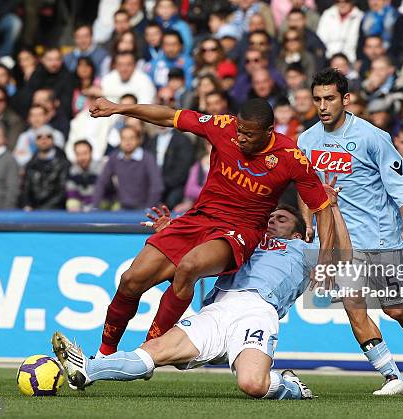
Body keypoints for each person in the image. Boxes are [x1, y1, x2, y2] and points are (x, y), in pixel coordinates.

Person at [87, 95, 334, 357]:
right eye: (239, 131)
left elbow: (322, 208)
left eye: (249, 135)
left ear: (269, 132)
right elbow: (169, 116)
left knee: (189, 267)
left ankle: (149, 351)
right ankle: (104, 355)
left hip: (239, 231)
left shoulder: (291, 157)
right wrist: (118, 108)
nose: (240, 138)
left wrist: (327, 260)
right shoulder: (223, 127)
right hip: (198, 218)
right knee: (130, 280)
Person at [52, 191, 346, 398]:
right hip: (218, 309)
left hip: (257, 311)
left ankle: (289, 386)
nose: (272, 220)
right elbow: (202, 246)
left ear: (298, 231)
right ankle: (88, 369)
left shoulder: (303, 249)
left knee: (252, 385)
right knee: (152, 351)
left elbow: (344, 256)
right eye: (270, 216)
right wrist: (172, 231)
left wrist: (332, 208)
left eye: (281, 219)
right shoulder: (246, 240)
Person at [299, 68, 403, 395]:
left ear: (345, 100)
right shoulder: (306, 140)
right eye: (317, 99)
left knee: (394, 308)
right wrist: (307, 222)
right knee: (353, 305)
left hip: (378, 236)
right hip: (339, 242)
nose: (322, 105)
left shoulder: (372, 137)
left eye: (329, 98)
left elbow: (400, 186)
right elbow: (306, 187)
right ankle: (393, 377)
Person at [93, 126, 163, 211]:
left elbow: (157, 186)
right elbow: (102, 182)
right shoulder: (114, 157)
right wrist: (95, 206)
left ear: (138, 140)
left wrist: (149, 208)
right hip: (122, 207)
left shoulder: (148, 158)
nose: (128, 142)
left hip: (144, 208)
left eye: (131, 138)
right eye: (124, 138)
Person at [21, 125, 71, 210]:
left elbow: (62, 191)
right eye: (39, 137)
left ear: (53, 140)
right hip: (33, 212)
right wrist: (27, 205)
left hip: (56, 212)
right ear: (35, 141)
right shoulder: (30, 165)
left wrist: (44, 209)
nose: (44, 140)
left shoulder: (63, 164)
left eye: (48, 136)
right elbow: (25, 189)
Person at [144, 126, 195, 209]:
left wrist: (161, 184)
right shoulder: (151, 141)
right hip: (154, 188)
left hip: (175, 188)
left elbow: (182, 170)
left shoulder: (183, 140)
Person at [66, 140, 101, 212]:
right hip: (82, 204)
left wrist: (90, 206)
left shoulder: (101, 168)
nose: (82, 157)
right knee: (71, 203)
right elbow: (72, 193)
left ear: (91, 153)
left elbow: (104, 193)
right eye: (78, 154)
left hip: (100, 203)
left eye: (85, 153)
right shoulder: (72, 171)